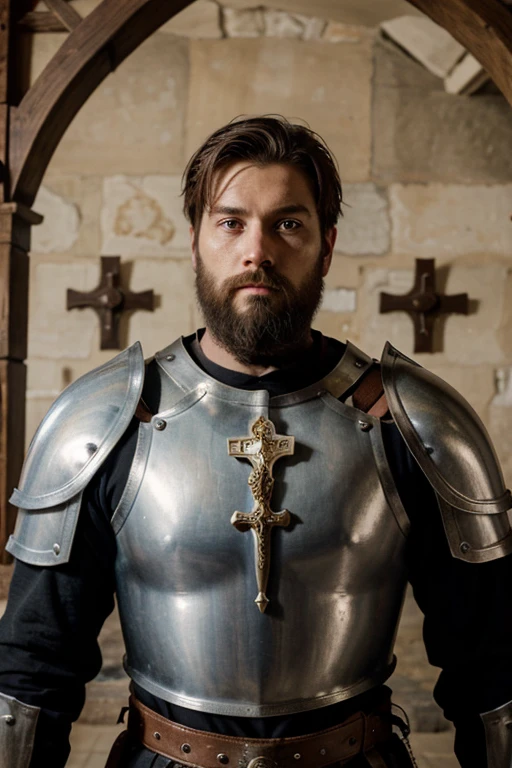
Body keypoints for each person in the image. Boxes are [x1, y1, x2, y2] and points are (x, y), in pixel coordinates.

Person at [1, 116, 512, 768]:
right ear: (195, 243)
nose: (258, 251)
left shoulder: (414, 424)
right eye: (232, 223)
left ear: (326, 248)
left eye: (288, 224)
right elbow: (30, 673)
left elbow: (494, 675)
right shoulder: (105, 422)